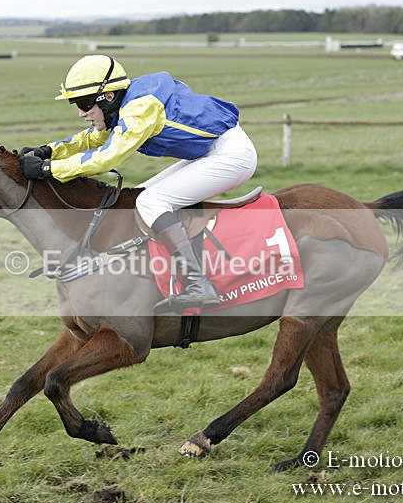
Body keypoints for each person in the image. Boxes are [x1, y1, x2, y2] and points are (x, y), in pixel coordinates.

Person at [20, 54, 257, 313]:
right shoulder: (128, 103)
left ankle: (198, 284)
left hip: (231, 155)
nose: (81, 112)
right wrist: (50, 151)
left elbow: (107, 157)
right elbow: (94, 138)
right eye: (75, 103)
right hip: (210, 151)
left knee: (150, 201)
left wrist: (48, 169)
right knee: (139, 196)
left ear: (108, 97)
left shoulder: (140, 109)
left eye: (84, 103)